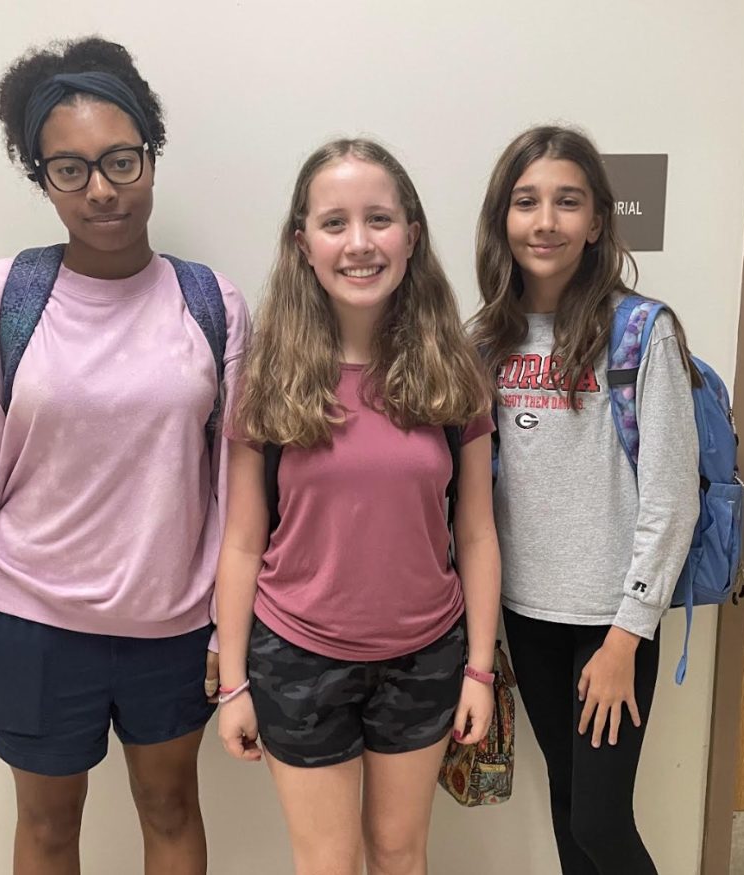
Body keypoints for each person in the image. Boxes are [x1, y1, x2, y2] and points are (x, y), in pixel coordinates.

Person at [0, 36, 248, 874]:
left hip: (171, 620)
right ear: (42, 179)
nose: (101, 188)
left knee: (170, 807)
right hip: (34, 617)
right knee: (50, 826)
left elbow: (237, 481)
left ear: (151, 157)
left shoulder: (212, 303)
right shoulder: (5, 297)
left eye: (120, 161)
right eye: (70, 170)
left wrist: (224, 620)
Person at [215, 138, 500, 875]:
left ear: (411, 233)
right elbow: (243, 542)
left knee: (401, 854)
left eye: (379, 218)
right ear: (302, 241)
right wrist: (235, 681)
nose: (360, 242)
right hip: (296, 658)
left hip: (426, 657)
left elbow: (474, 532)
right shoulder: (267, 378)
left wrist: (478, 670)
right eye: (334, 222)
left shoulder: (453, 373)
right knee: (328, 864)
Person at [469, 125, 700, 874]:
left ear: (596, 220)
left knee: (602, 821)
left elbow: (670, 499)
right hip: (526, 612)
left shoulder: (641, 331)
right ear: (503, 217)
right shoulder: (486, 341)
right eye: (527, 201)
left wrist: (627, 636)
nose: (545, 221)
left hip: (610, 622)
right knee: (569, 805)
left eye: (567, 202)